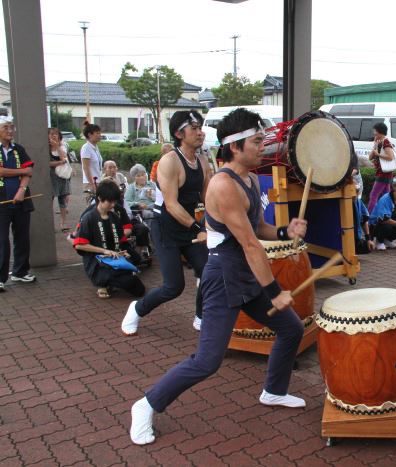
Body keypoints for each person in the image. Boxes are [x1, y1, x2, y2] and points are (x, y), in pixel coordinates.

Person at [128, 107, 308, 446]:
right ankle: (147, 404)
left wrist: (285, 231)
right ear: (236, 147)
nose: (263, 147)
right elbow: (251, 244)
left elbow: (257, 228)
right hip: (223, 276)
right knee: (207, 361)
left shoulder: (251, 178)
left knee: (291, 328)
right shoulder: (224, 186)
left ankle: (274, 390)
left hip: (243, 273)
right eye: (257, 141)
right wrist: (275, 291)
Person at [121, 110, 211, 335]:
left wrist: (214, 224)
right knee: (174, 287)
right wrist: (199, 228)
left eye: (201, 128)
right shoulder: (169, 161)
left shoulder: (202, 161)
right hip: (166, 228)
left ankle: (201, 316)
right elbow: (171, 204)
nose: (200, 133)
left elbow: (209, 198)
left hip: (191, 227)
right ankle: (137, 309)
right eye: (194, 128)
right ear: (179, 133)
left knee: (210, 272)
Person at [73, 180, 146, 299]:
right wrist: (104, 251)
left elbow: (121, 241)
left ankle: (112, 281)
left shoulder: (114, 217)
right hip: (96, 261)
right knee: (111, 277)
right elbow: (79, 245)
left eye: (115, 201)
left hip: (113, 258)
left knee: (138, 288)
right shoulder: (89, 218)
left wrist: (122, 252)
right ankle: (102, 284)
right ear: (100, 198)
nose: (113, 205)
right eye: (110, 201)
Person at [0, 116, 36, 292]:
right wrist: (21, 171)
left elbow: (29, 171)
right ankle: (0, 277)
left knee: (22, 237)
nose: (10, 131)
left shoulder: (18, 149)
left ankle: (20, 271)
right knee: (2, 240)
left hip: (21, 200)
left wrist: (22, 189)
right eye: (6, 127)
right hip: (2, 202)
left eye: (11, 127)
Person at [370, 176, 396, 250]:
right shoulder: (385, 198)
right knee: (387, 225)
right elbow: (383, 219)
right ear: (394, 187)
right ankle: (379, 241)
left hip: (392, 222)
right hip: (376, 225)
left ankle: (387, 240)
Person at [367, 122, 396, 213]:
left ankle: (369, 217)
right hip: (383, 173)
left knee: (373, 195)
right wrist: (375, 146)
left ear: (379, 132)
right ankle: (388, 214)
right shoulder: (379, 142)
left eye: (375, 131)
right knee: (386, 195)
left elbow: (390, 157)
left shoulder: (386, 142)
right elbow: (370, 157)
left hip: (384, 174)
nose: (374, 133)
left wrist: (378, 154)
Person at [48, 128, 72, 231]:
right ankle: (49, 224)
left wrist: (57, 146)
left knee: (62, 199)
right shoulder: (46, 148)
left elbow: (65, 158)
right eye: (51, 134)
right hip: (51, 176)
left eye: (56, 134)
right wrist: (60, 162)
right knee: (50, 199)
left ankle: (63, 222)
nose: (54, 136)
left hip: (62, 176)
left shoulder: (62, 146)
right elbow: (47, 163)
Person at [80, 123, 103, 202]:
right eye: (97, 133)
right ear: (90, 134)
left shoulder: (95, 147)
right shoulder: (86, 148)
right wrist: (92, 184)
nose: (100, 135)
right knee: (92, 207)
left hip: (98, 181)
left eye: (100, 133)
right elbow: (86, 167)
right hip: (91, 183)